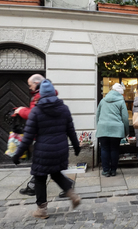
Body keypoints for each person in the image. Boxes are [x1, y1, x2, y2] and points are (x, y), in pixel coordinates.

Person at [12, 80, 81, 219]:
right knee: (55, 173)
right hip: (61, 150)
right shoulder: (64, 108)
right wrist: (76, 146)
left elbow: (28, 137)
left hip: (43, 151)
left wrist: (17, 154)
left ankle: (42, 210)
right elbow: (71, 131)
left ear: (41, 94)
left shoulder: (36, 111)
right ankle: (72, 195)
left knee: (40, 177)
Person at [96, 83, 129, 177]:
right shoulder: (121, 101)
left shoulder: (103, 100)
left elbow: (97, 115)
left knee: (104, 149)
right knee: (114, 149)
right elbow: (125, 118)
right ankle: (113, 170)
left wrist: (99, 127)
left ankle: (106, 170)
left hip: (103, 128)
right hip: (116, 129)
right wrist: (126, 131)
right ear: (120, 93)